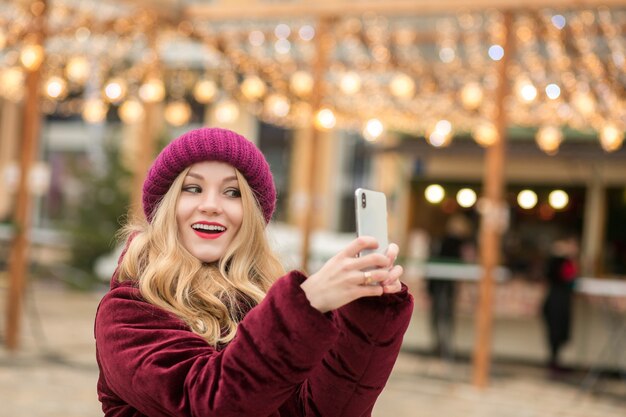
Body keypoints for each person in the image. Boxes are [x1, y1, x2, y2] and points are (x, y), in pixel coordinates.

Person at [94, 127, 414, 417]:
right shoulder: (128, 309)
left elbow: (319, 410)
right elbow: (207, 404)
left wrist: (369, 312)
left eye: (232, 192)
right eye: (192, 188)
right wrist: (306, 303)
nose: (211, 205)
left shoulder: (264, 306)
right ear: (166, 207)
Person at [426, 213, 475, 359]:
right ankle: (445, 348)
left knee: (439, 316)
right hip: (445, 287)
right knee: (445, 316)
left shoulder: (442, 241)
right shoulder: (460, 244)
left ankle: (441, 346)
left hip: (438, 285)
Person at [541, 235, 579, 374]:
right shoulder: (558, 261)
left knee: (559, 332)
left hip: (560, 300)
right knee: (555, 332)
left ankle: (555, 361)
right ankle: (553, 362)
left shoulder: (567, 262)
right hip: (556, 301)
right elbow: (567, 279)